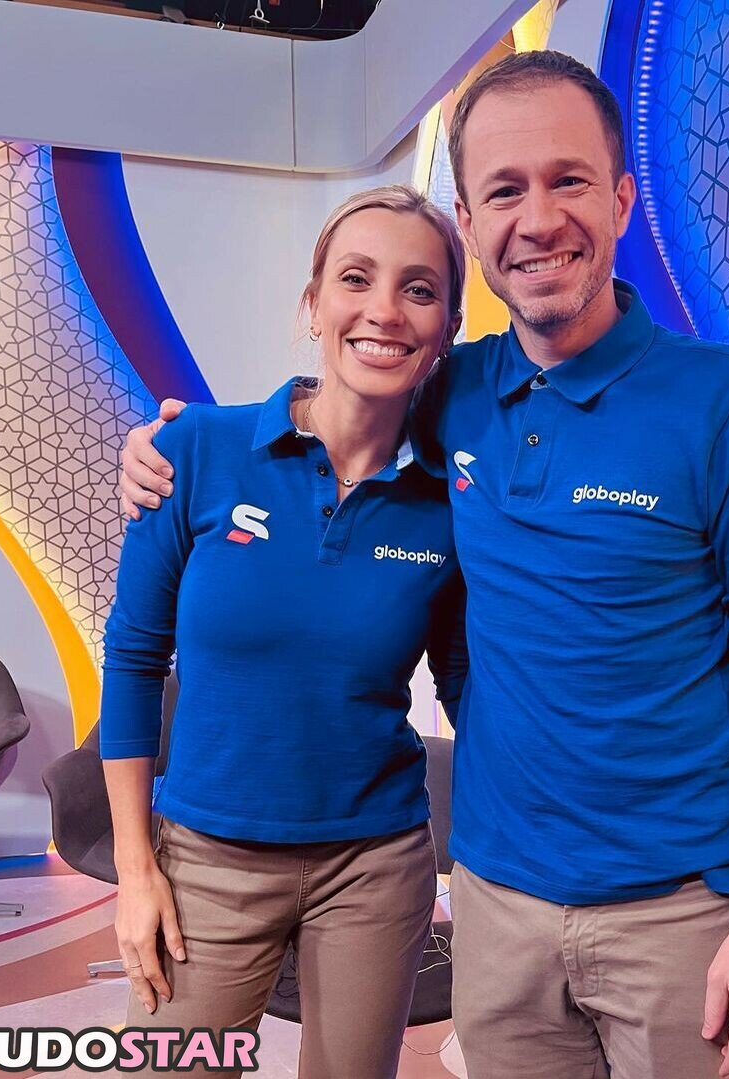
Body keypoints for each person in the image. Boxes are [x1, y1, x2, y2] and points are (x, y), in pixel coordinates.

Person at [121, 51, 729, 1079]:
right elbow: (341, 401)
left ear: (621, 198)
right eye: (504, 190)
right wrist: (168, 447)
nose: (537, 219)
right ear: (470, 218)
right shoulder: (448, 394)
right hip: (498, 905)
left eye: (568, 180)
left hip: (679, 911)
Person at [102, 184, 468, 1079]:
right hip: (205, 861)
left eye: (419, 289)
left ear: (448, 329)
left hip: (375, 863)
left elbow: (468, 686)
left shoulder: (449, 503)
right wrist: (135, 869)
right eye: (356, 278)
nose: (385, 309)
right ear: (313, 305)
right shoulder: (193, 449)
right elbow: (134, 657)